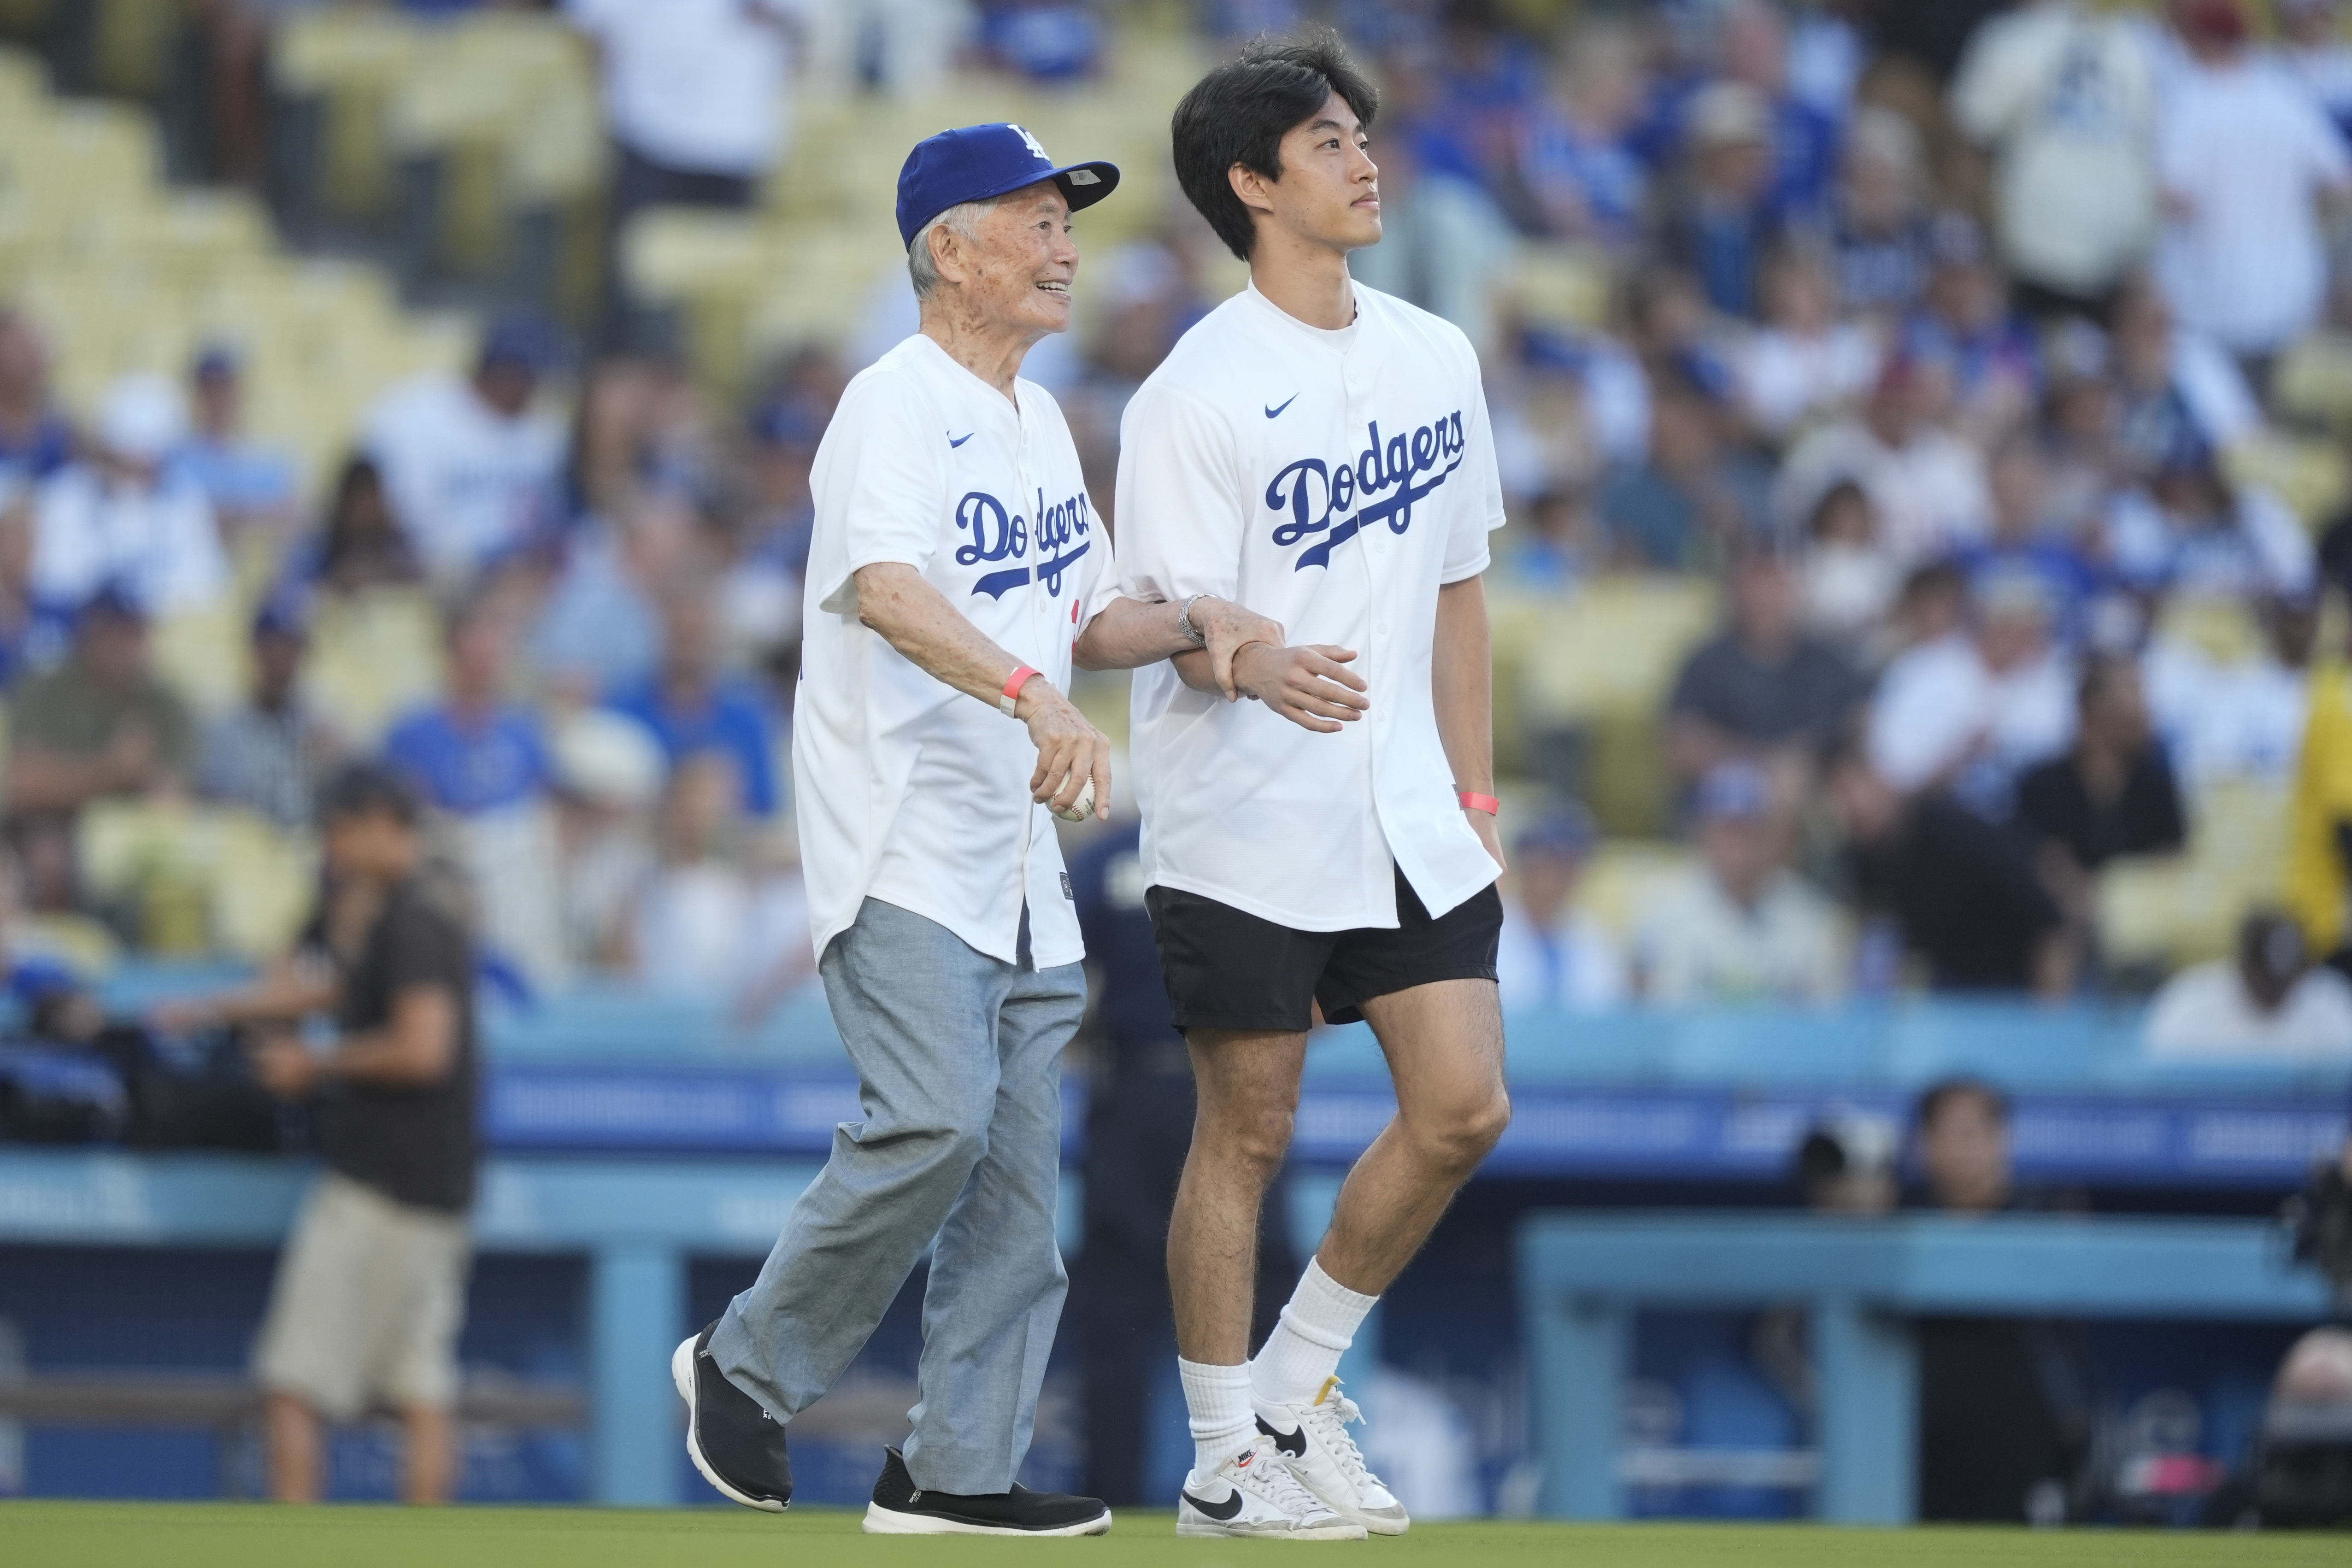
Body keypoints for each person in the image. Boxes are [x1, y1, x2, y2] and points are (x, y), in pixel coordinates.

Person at [674, 119, 1281, 1539]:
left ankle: (954, 1471)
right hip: (902, 840)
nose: (1067, 246)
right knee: (936, 1119)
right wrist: (1035, 698)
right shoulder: (891, 403)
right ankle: (744, 1365)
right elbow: (886, 589)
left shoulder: (1037, 422)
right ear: (950, 250)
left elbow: (1085, 615)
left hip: (1019, 860)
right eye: (1037, 220)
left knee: (1014, 1198)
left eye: (1069, 221)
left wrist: (1198, 621)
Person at [1116, 35, 1513, 1540]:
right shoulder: (1193, 392)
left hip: (1408, 809)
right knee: (1249, 1130)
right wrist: (1250, 661)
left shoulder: (1436, 353)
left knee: (1464, 1105)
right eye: (1328, 143)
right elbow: (1163, 617)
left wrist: (1476, 799)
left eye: (1360, 135)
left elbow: (1461, 590)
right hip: (1244, 814)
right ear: (1252, 184)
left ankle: (1291, 1394)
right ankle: (1226, 1458)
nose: (1363, 161)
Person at [248, 763, 478, 1505]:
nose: (333, 848)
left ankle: (295, 1551)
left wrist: (312, 1062)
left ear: (379, 822)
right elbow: (344, 991)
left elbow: (424, 1047)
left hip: (382, 1183)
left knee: (292, 1383)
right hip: (436, 1185)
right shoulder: (421, 906)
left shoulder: (412, 917)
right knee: (419, 1391)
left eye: (340, 830)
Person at [1064, 810, 1297, 1509]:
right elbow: (1318, 996)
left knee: (1118, 1307)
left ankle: (1110, 1496)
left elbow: (1054, 974)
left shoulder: (1111, 855)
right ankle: (1273, 1483)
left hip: (1136, 1088)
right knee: (1256, 1297)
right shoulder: (1261, 841)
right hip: (1237, 1086)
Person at [1908, 1078, 2091, 1523]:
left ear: (2002, 1139)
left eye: (1975, 1132)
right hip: (1921, 1444)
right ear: (1923, 1144)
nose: (1963, 1148)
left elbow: (2065, 1345)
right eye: (1949, 1132)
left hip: (2022, 1441)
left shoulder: (2044, 1216)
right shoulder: (1900, 1221)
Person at [2158, 0, 2352, 364]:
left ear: (2200, 40)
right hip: (2292, 297)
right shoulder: (2286, 95)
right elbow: (2340, 185)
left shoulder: (2192, 100)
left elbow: (2174, 199)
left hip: (2211, 305)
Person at [1947, 0, 2161, 319]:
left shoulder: (2012, 37)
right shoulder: (2130, 46)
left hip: (2037, 252)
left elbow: (1967, 138)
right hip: (2114, 251)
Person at [1829, 742, 2077, 998]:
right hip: (1948, 998)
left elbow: (2049, 928)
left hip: (2011, 995)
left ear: (1883, 782)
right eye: (1840, 797)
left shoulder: (1955, 834)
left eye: (1855, 789)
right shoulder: (1866, 858)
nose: (1852, 805)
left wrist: (2046, 1017)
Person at [5, 587, 195, 904]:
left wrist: (77, 779)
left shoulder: (166, 704)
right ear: (88, 633)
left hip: (132, 832)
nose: (126, 645)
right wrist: (112, 770)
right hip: (55, 828)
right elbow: (23, 784)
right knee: (48, 857)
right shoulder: (46, 689)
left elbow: (173, 798)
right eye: (114, 632)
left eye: (134, 633)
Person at [361, 318, 564, 580]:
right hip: (428, 574)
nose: (536, 387)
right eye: (528, 377)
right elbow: (394, 517)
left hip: (519, 576)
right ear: (502, 372)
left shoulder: (544, 431)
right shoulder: (416, 416)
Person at [1664, 545, 1867, 794]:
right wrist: (1766, 760)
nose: (1765, 601)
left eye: (1775, 590)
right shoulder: (1708, 663)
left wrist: (1817, 761)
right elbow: (1680, 747)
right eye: (1756, 590)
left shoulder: (1828, 662)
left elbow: (1859, 726)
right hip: (1733, 785)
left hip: (1819, 784)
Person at [29, 373, 230, 617]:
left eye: (146, 466)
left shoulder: (186, 500)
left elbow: (204, 585)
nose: (133, 477)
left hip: (155, 627)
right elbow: (51, 578)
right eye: (123, 461)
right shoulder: (64, 496)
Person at [609, 581, 781, 818]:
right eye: (680, 634)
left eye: (696, 635)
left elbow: (763, 810)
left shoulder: (746, 720)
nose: (688, 648)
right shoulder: (623, 713)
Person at [2012, 655, 2186, 889]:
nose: (2142, 710)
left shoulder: (2157, 788)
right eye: (2129, 694)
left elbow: (2170, 865)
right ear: (2090, 711)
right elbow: (2041, 865)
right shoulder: (2042, 788)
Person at [196, 594, 344, 830]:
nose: (280, 660)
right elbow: (210, 806)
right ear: (255, 651)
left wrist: (332, 767)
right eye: (271, 648)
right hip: (243, 844)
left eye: (290, 649)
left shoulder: (325, 726)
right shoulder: (223, 729)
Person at [2143, 911, 2352, 1060]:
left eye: (2285, 977)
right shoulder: (2189, 1004)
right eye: (2263, 974)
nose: (2273, 987)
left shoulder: (2331, 1002)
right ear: (2241, 964)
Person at [1494, 804, 1626, 1014]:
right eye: (1546, 863)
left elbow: (1607, 1010)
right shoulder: (1489, 929)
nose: (1555, 878)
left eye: (1567, 865)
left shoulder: (1593, 936)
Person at [172, 342, 297, 537]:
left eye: (225, 389)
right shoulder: (178, 460)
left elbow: (293, 515)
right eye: (209, 391)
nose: (218, 400)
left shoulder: (270, 460)